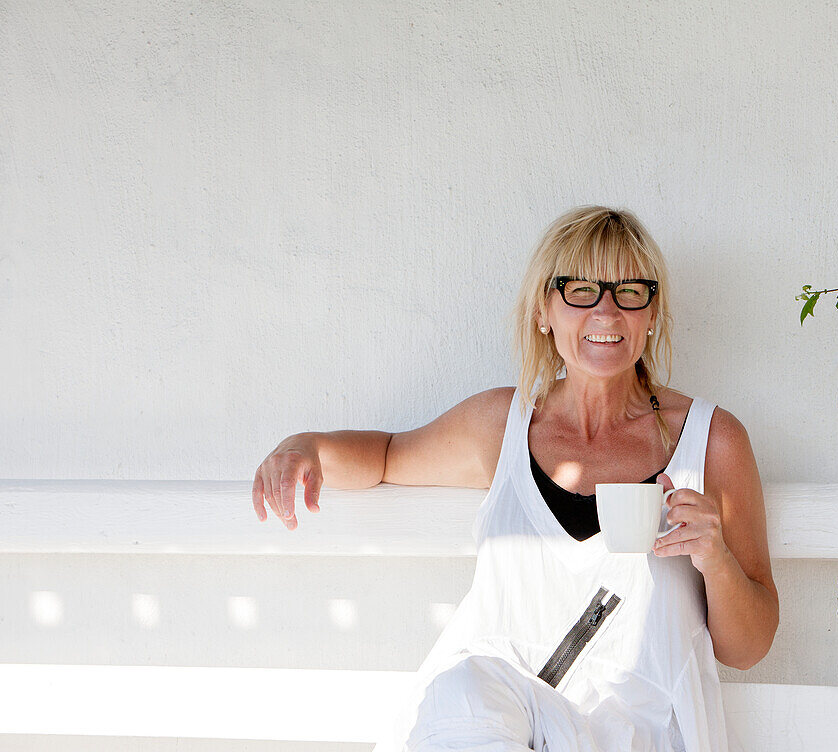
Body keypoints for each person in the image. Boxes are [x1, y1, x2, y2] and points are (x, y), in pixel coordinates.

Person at [252, 206, 778, 751]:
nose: (606, 311)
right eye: (580, 290)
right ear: (543, 311)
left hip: (637, 733)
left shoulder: (710, 440)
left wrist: (715, 561)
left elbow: (748, 646)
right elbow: (386, 455)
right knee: (463, 689)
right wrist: (307, 446)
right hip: (499, 724)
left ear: (652, 312)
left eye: (629, 291)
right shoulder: (502, 425)